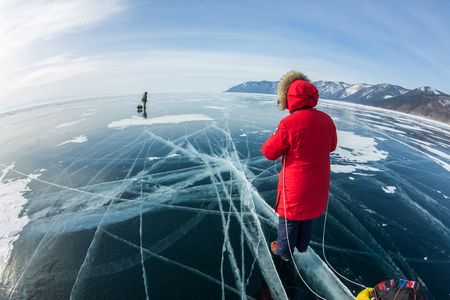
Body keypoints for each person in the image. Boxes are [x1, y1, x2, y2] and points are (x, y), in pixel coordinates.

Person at [262, 71, 337, 261]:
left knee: (289, 220)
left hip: (297, 185)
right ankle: (302, 247)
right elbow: (332, 146)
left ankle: (283, 255)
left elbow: (269, 152)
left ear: (290, 98)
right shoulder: (327, 120)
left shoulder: (289, 123)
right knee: (307, 216)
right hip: (319, 183)